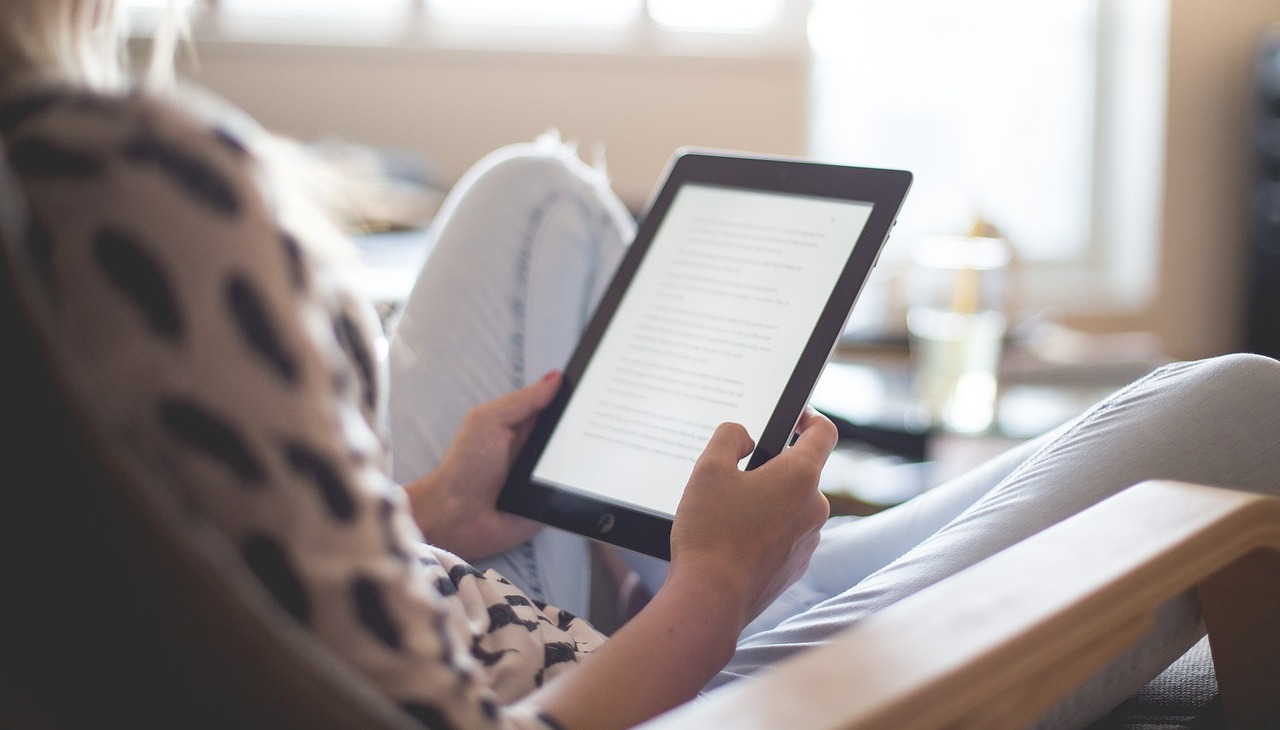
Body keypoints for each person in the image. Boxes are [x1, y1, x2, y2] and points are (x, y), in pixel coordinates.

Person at [1, 2, 1277, 728]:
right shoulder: (117, 186)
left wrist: (437, 508)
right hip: (651, 696)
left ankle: (687, 552)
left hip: (479, 591)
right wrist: (706, 598)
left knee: (537, 194)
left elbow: (228, 568)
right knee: (1240, 406)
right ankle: (727, 573)